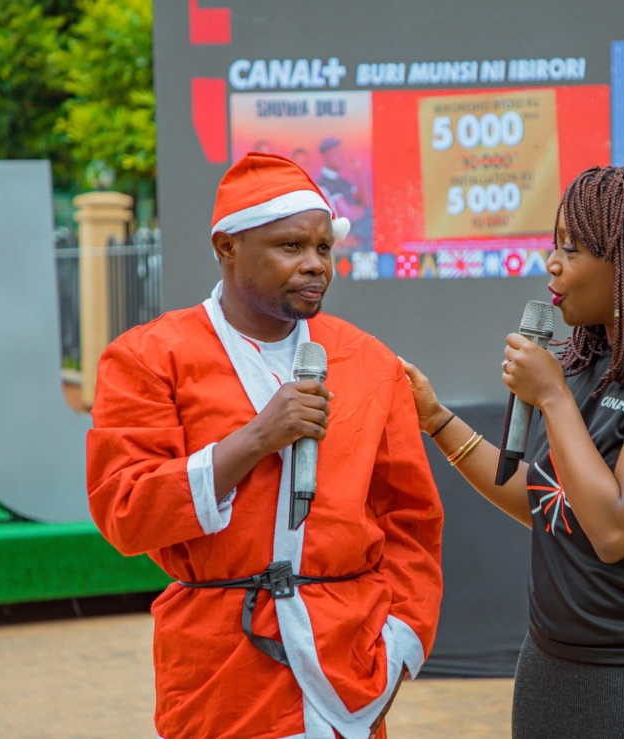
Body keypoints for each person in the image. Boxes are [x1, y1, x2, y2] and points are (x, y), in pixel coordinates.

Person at [87, 152, 443, 739]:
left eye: (324, 248)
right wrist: (255, 439)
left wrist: (400, 640)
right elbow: (125, 513)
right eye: (290, 247)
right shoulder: (149, 357)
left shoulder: (369, 361)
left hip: (350, 664)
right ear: (227, 247)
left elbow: (411, 520)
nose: (315, 266)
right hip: (219, 672)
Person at [402, 163, 624, 739]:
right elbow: (548, 502)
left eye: (574, 249)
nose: (553, 265)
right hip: (553, 666)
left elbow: (612, 529)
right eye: (553, 245)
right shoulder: (590, 363)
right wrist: (436, 419)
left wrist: (554, 397)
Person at [316, 137, 372, 249]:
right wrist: (359, 210)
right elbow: (348, 216)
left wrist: (358, 170)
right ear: (326, 156)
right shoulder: (323, 184)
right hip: (340, 246)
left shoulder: (343, 183)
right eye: (337, 154)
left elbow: (365, 203)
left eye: (342, 153)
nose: (341, 157)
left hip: (355, 243)